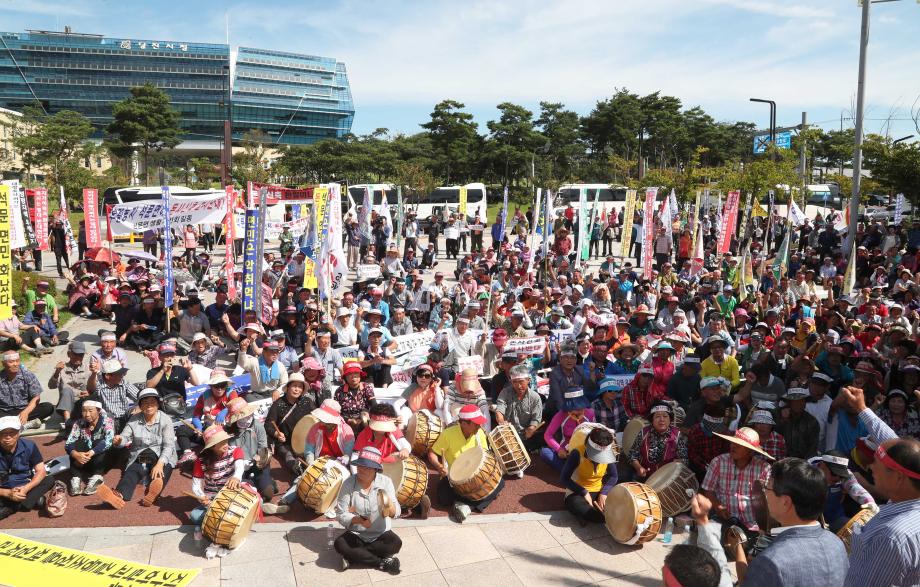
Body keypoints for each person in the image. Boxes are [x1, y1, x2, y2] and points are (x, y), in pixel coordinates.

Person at [838, 386, 920, 587]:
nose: (871, 467)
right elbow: (895, 444)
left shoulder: (890, 537)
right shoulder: (910, 493)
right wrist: (863, 409)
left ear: (899, 477)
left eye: (879, 464)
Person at [738, 458, 848, 587]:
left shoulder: (770, 561)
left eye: (767, 488)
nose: (765, 494)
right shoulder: (836, 543)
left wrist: (738, 547)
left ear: (785, 502)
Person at [96, 388, 177, 509]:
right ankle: (119, 494)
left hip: (162, 454)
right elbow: (124, 437)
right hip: (144, 455)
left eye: (152, 401)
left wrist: (160, 463)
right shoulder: (134, 419)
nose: (149, 405)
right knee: (134, 469)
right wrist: (119, 440)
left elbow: (169, 445)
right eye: (145, 402)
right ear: (140, 405)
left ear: (158, 404)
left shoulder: (165, 419)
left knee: (161, 471)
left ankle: (152, 494)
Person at [428, 404, 504, 522]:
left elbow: (485, 456)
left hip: (476, 478)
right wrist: (439, 466)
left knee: (500, 483)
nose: (480, 426)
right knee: (443, 499)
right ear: (464, 423)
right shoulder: (448, 434)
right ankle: (474, 501)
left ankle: (467, 506)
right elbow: (432, 453)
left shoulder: (480, 434)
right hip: (454, 479)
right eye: (476, 424)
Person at [334, 447, 402, 574]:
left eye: (367, 467)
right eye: (360, 465)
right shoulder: (348, 483)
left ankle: (354, 556)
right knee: (340, 544)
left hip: (380, 534)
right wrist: (356, 519)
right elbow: (341, 514)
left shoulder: (386, 482)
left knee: (395, 543)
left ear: (376, 469)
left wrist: (390, 507)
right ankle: (382, 563)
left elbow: (397, 511)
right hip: (357, 534)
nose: (361, 469)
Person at [186, 424, 247, 558]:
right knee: (195, 515)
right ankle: (219, 537)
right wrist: (203, 498)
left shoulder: (236, 451)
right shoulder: (200, 460)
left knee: (225, 515)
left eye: (225, 440)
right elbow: (196, 486)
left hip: (231, 494)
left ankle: (216, 539)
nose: (226, 444)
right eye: (221, 442)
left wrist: (236, 478)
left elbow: (239, 468)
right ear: (212, 446)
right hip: (212, 497)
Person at [701, 427, 773, 538]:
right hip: (723, 518)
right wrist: (717, 506)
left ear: (750, 451)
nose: (733, 447)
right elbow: (708, 489)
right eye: (732, 443)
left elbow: (768, 500)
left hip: (752, 523)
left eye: (738, 445)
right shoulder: (718, 462)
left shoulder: (764, 468)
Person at [560, 425, 618, 525]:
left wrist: (604, 493)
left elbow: (614, 476)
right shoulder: (577, 453)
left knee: (620, 502)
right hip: (577, 492)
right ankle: (600, 517)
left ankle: (594, 516)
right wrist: (584, 492)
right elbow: (564, 478)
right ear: (588, 445)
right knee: (575, 504)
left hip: (599, 490)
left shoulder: (609, 454)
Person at [0, 416, 55, 520]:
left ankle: (12, 507)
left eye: (12, 432)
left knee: (49, 479)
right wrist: (7, 493)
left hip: (23, 486)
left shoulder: (29, 445)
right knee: (39, 502)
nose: (8, 437)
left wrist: (25, 489)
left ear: (19, 432)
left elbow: (41, 471)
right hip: (2, 489)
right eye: (3, 433)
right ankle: (25, 503)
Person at [266, 373, 317, 476]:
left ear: (303, 390)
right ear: (288, 387)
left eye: (300, 387)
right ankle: (296, 469)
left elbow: (317, 416)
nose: (296, 389)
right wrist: (277, 434)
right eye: (294, 386)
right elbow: (268, 424)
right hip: (285, 443)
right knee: (289, 457)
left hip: (306, 440)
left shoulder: (307, 401)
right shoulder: (278, 404)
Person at [64, 399, 115, 496]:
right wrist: (75, 454)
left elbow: (109, 441)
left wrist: (92, 452)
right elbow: (69, 442)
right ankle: (76, 478)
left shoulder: (107, 421)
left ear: (98, 411)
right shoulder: (79, 423)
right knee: (76, 444)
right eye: (84, 411)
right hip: (84, 461)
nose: (87, 414)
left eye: (90, 411)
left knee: (101, 442)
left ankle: (97, 477)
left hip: (100, 462)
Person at [627, 400, 688, 480]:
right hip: (646, 477)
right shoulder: (643, 433)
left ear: (670, 419)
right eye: (657, 416)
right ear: (652, 420)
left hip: (669, 478)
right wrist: (639, 468)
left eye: (665, 416)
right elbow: (632, 455)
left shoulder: (677, 435)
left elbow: (685, 459)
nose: (662, 419)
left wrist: (680, 462)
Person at [541, 387, 595, 472]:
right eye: (575, 408)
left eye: (580, 407)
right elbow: (548, 435)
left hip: (586, 452)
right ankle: (571, 472)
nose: (578, 411)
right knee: (545, 452)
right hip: (567, 453)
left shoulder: (590, 413)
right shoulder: (561, 415)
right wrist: (559, 449)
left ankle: (570, 472)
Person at [495, 364, 543, 452]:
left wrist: (531, 428)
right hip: (508, 434)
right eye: (514, 382)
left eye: (521, 382)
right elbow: (499, 410)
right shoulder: (505, 392)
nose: (518, 385)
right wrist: (502, 422)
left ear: (528, 380)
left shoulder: (535, 397)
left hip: (525, 436)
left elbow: (536, 419)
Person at [0, 350, 54, 428]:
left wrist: (26, 412)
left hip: (25, 409)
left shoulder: (27, 375)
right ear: (3, 364)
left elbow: (36, 397)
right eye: (11, 362)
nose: (15, 364)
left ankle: (11, 424)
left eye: (17, 361)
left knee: (48, 407)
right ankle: (25, 425)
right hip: (5, 412)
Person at [48, 341, 92, 431]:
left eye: (81, 355)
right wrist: (57, 372)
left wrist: (90, 392)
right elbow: (51, 386)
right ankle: (68, 422)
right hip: (67, 407)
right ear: (69, 354)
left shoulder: (89, 368)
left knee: (88, 391)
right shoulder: (61, 368)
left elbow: (97, 388)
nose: (78, 357)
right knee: (66, 390)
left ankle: (83, 421)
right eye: (75, 354)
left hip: (83, 405)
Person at [334, 362, 377, 433]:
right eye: (350, 374)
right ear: (345, 377)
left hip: (364, 420)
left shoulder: (367, 387)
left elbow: (374, 405)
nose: (353, 377)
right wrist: (348, 420)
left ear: (360, 375)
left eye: (356, 374)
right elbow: (336, 412)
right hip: (345, 421)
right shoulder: (339, 391)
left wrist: (366, 415)